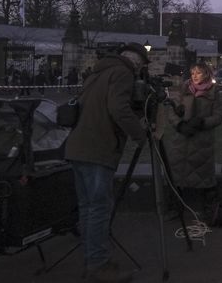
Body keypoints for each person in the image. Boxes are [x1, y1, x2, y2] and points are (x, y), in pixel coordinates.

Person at [64, 43, 149, 283]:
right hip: (98, 149)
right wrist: (139, 133)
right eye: (141, 67)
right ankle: (98, 266)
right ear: (135, 62)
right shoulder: (122, 73)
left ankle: (93, 260)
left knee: (88, 208)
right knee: (99, 209)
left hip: (77, 148)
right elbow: (118, 109)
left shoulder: (97, 73)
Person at [167, 62, 222, 218]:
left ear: (205, 74)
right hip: (182, 140)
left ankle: (209, 209)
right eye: (193, 73)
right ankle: (175, 208)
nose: (195, 76)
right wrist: (179, 125)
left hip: (201, 142)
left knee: (205, 177)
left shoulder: (213, 91)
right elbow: (172, 112)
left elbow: (219, 116)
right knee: (177, 174)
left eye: (198, 73)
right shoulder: (183, 89)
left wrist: (203, 122)